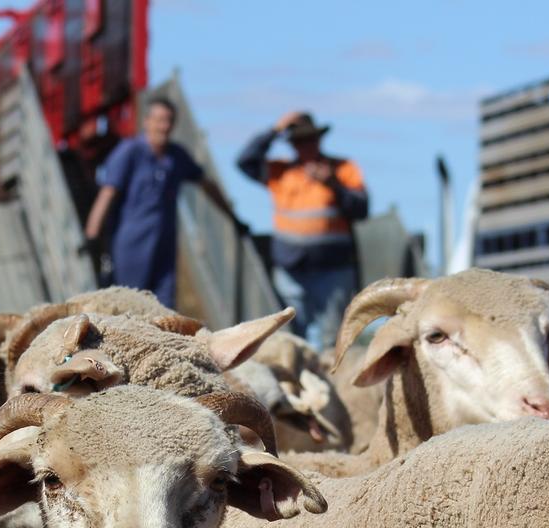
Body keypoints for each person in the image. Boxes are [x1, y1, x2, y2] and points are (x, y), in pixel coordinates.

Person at [85, 97, 245, 309]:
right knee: (128, 304)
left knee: (164, 308)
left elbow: (207, 185)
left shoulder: (176, 156)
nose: (164, 126)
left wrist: (233, 218)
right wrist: (92, 235)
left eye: (168, 120)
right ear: (147, 121)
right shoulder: (130, 152)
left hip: (164, 246)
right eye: (159, 120)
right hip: (131, 245)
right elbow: (107, 194)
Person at [237, 111, 369, 349]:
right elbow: (245, 161)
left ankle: (331, 383)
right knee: (291, 336)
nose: (305, 146)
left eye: (310, 140)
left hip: (333, 270)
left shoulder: (343, 168)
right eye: (299, 141)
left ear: (319, 140)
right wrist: (275, 130)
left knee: (332, 337)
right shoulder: (281, 171)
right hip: (291, 269)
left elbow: (361, 209)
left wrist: (333, 185)